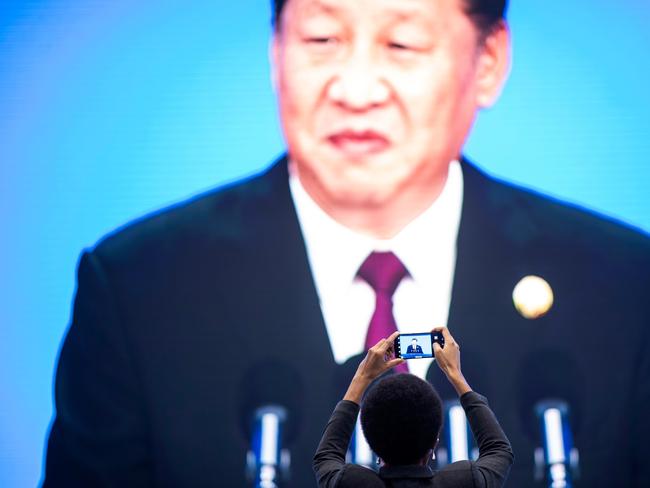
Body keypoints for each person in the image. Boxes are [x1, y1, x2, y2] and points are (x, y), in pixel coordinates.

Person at [44, 0, 650, 486]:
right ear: (275, 51)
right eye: (321, 40)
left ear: (488, 60)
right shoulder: (139, 291)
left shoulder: (624, 287)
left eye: (402, 45)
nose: (356, 89)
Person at [314, 328, 514, 487]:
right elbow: (499, 450)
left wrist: (362, 377)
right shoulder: (463, 481)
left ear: (370, 442)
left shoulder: (352, 483)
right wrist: (455, 374)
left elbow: (326, 456)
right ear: (435, 441)